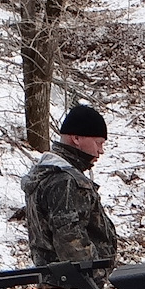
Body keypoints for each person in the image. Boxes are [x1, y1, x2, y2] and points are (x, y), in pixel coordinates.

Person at [20, 103, 119, 274]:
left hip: (58, 281)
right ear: (76, 139)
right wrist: (94, 275)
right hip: (75, 285)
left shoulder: (47, 172)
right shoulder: (64, 180)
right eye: (98, 143)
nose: (100, 151)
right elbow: (70, 240)